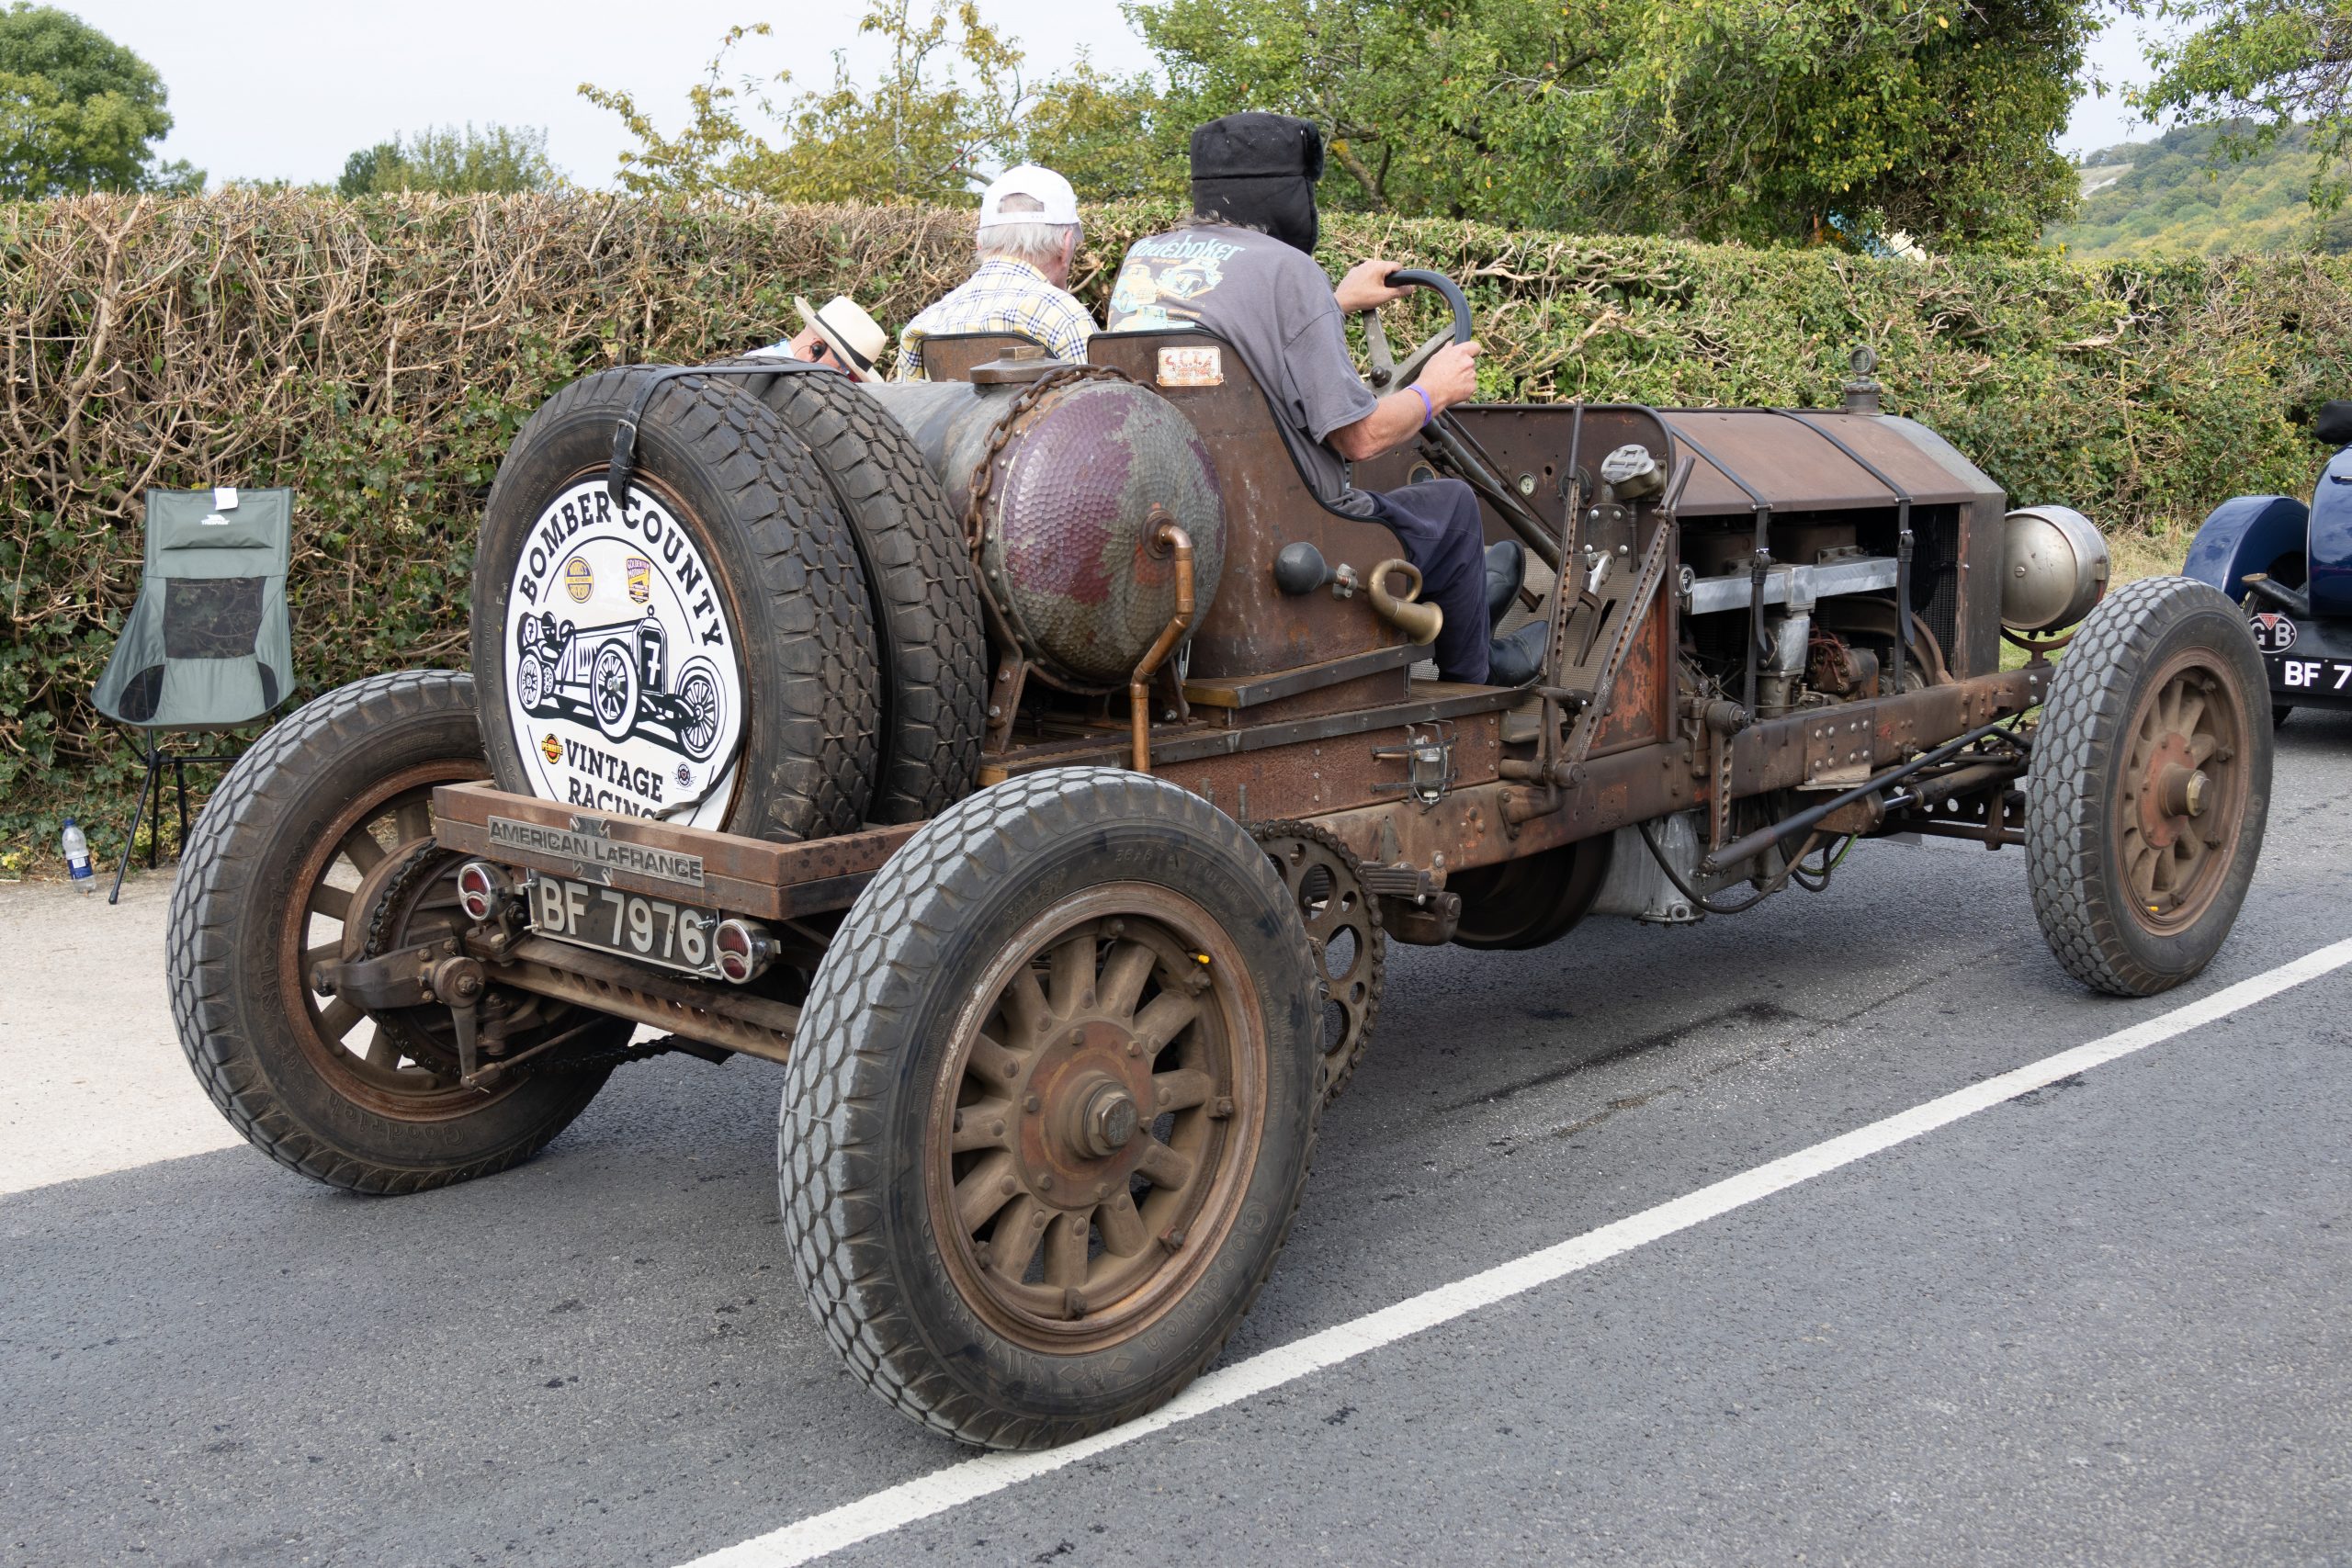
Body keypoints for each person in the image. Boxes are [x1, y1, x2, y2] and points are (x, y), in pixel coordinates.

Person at [1105, 112, 1540, 685]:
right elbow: (1359, 438)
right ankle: (1473, 672)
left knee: (1422, 517)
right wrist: (1432, 392)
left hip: (1185, 517)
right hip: (1292, 531)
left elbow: (1242, 344)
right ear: (1290, 192)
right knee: (1453, 507)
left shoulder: (1144, 260)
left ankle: (1468, 607)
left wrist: (1333, 303)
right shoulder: (1290, 269)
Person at [893, 164, 1097, 381]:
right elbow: (1105, 407)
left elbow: (904, 412)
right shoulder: (1063, 316)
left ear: (979, 243)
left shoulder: (924, 325)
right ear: (1066, 246)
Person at [754, 293, 890, 381]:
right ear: (815, 349)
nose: (847, 384)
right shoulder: (755, 373)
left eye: (854, 380)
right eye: (847, 374)